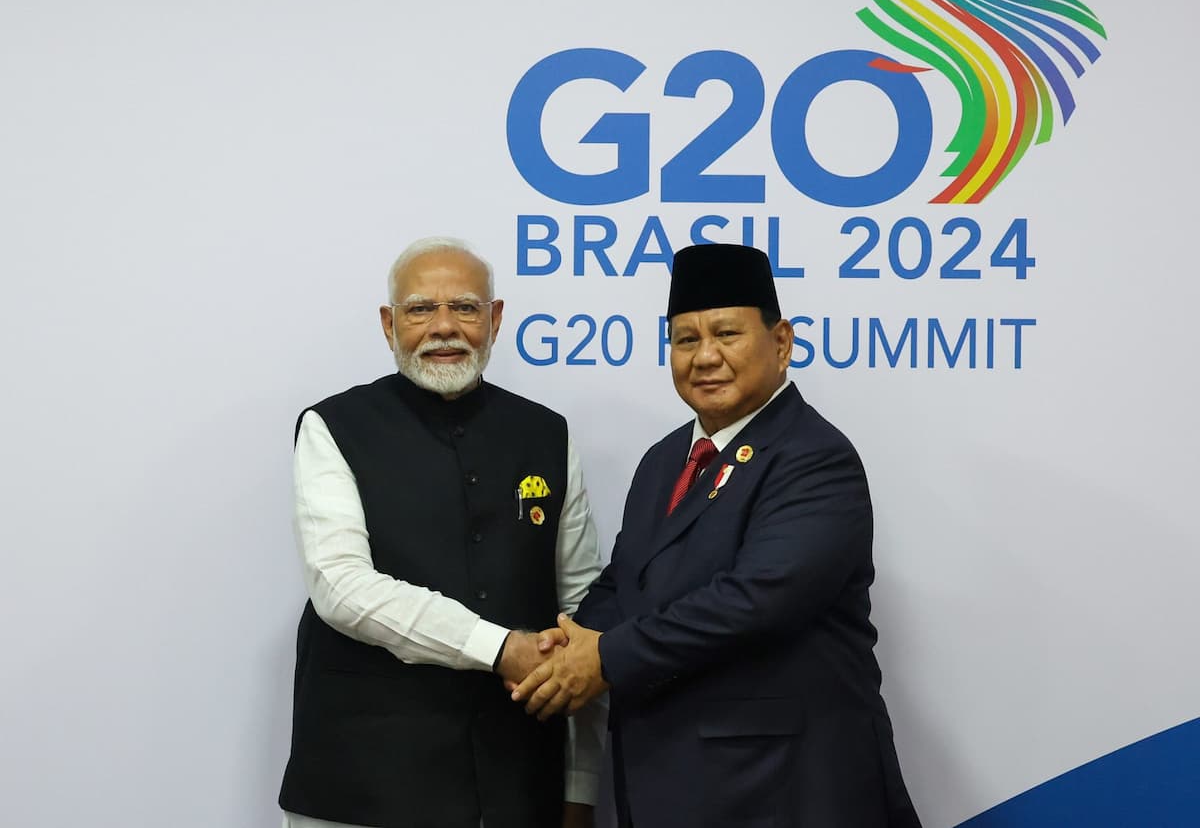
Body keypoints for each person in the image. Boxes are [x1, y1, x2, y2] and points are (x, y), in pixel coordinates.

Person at [512, 243, 922, 827]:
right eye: (685, 339)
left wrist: (603, 657)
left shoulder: (815, 457)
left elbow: (754, 600)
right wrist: (565, 645)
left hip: (783, 789)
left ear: (781, 342)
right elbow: (628, 580)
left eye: (727, 334)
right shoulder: (664, 459)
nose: (705, 357)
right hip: (665, 781)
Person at [278, 236, 604, 828]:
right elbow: (342, 588)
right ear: (389, 323)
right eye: (421, 309)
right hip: (363, 786)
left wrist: (580, 786)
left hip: (518, 783)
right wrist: (499, 648)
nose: (444, 327)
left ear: (496, 318)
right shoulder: (333, 428)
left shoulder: (546, 435)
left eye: (467, 308)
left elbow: (580, 613)